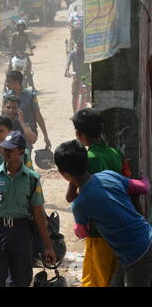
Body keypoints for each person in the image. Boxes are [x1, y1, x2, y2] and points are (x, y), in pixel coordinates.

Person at [54, 140, 152, 287]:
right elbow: (142, 188)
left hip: (136, 255)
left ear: (63, 174)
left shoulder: (80, 204)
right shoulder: (109, 175)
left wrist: (78, 226)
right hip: (144, 239)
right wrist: (145, 179)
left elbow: (81, 233)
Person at [0, 131, 56, 287]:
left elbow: (38, 214)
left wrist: (48, 246)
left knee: (20, 280)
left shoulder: (32, 179)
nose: (6, 152)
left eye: (10, 149)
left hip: (21, 233)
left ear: (20, 151)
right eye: (4, 149)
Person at [67, 108, 132, 287]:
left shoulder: (86, 159)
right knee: (109, 277)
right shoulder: (116, 154)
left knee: (98, 279)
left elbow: (71, 196)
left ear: (79, 134)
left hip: (98, 231)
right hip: (120, 228)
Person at [3, 70, 51, 149]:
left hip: (28, 133)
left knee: (25, 154)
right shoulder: (6, 97)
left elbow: (38, 116)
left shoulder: (30, 96)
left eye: (8, 81)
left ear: (16, 82)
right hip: (12, 131)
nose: (6, 84)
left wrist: (46, 136)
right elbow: (4, 115)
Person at [65, 42, 91, 114]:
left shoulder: (87, 53)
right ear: (76, 47)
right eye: (79, 47)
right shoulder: (72, 54)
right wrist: (67, 70)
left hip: (86, 75)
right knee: (74, 94)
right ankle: (75, 114)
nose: (80, 48)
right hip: (76, 75)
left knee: (88, 91)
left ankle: (89, 111)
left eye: (82, 47)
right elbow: (68, 62)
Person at [10, 20, 34, 90]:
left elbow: (30, 43)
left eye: (22, 27)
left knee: (29, 64)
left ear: (24, 27)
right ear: (17, 27)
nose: (20, 28)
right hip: (15, 54)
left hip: (23, 53)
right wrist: (11, 52)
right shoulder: (14, 35)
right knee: (10, 67)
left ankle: (30, 81)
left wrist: (31, 49)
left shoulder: (26, 35)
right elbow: (11, 45)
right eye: (19, 26)